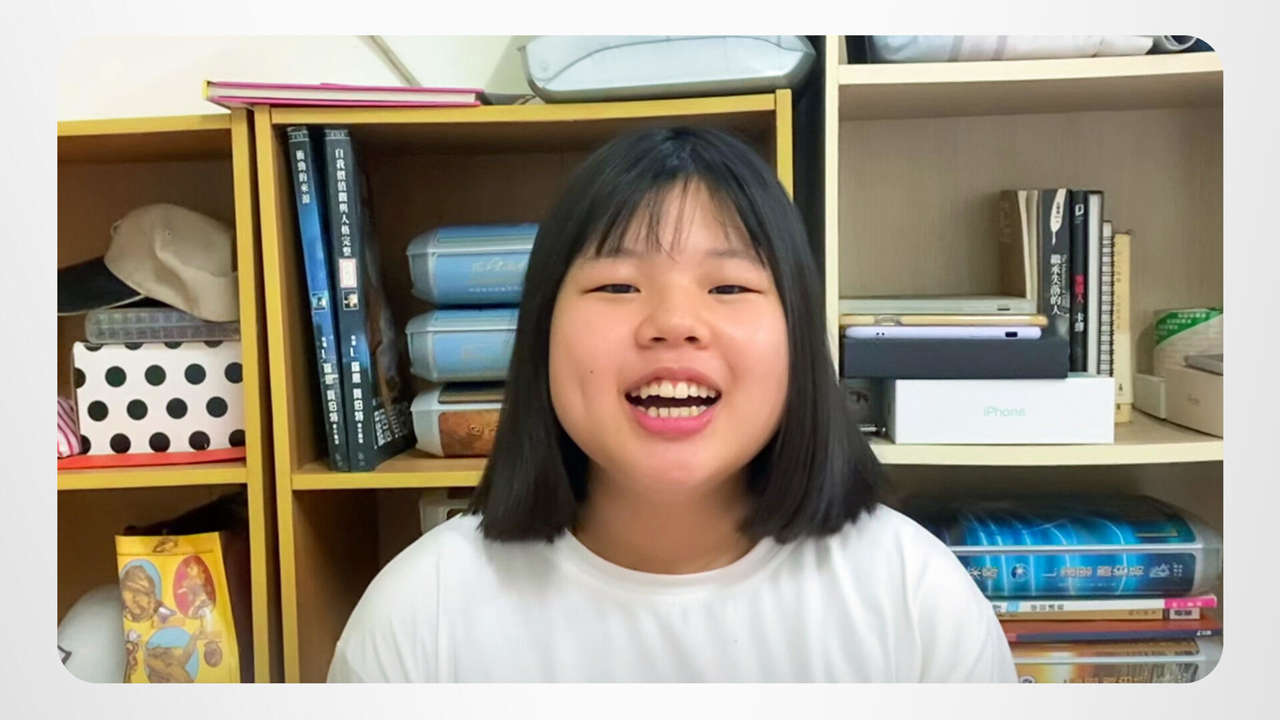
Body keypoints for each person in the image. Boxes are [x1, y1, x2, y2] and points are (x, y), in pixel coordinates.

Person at [328, 126, 1016, 682]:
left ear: (799, 339)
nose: (674, 323)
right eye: (618, 286)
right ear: (542, 334)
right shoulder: (422, 612)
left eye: (730, 288)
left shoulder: (914, 597)